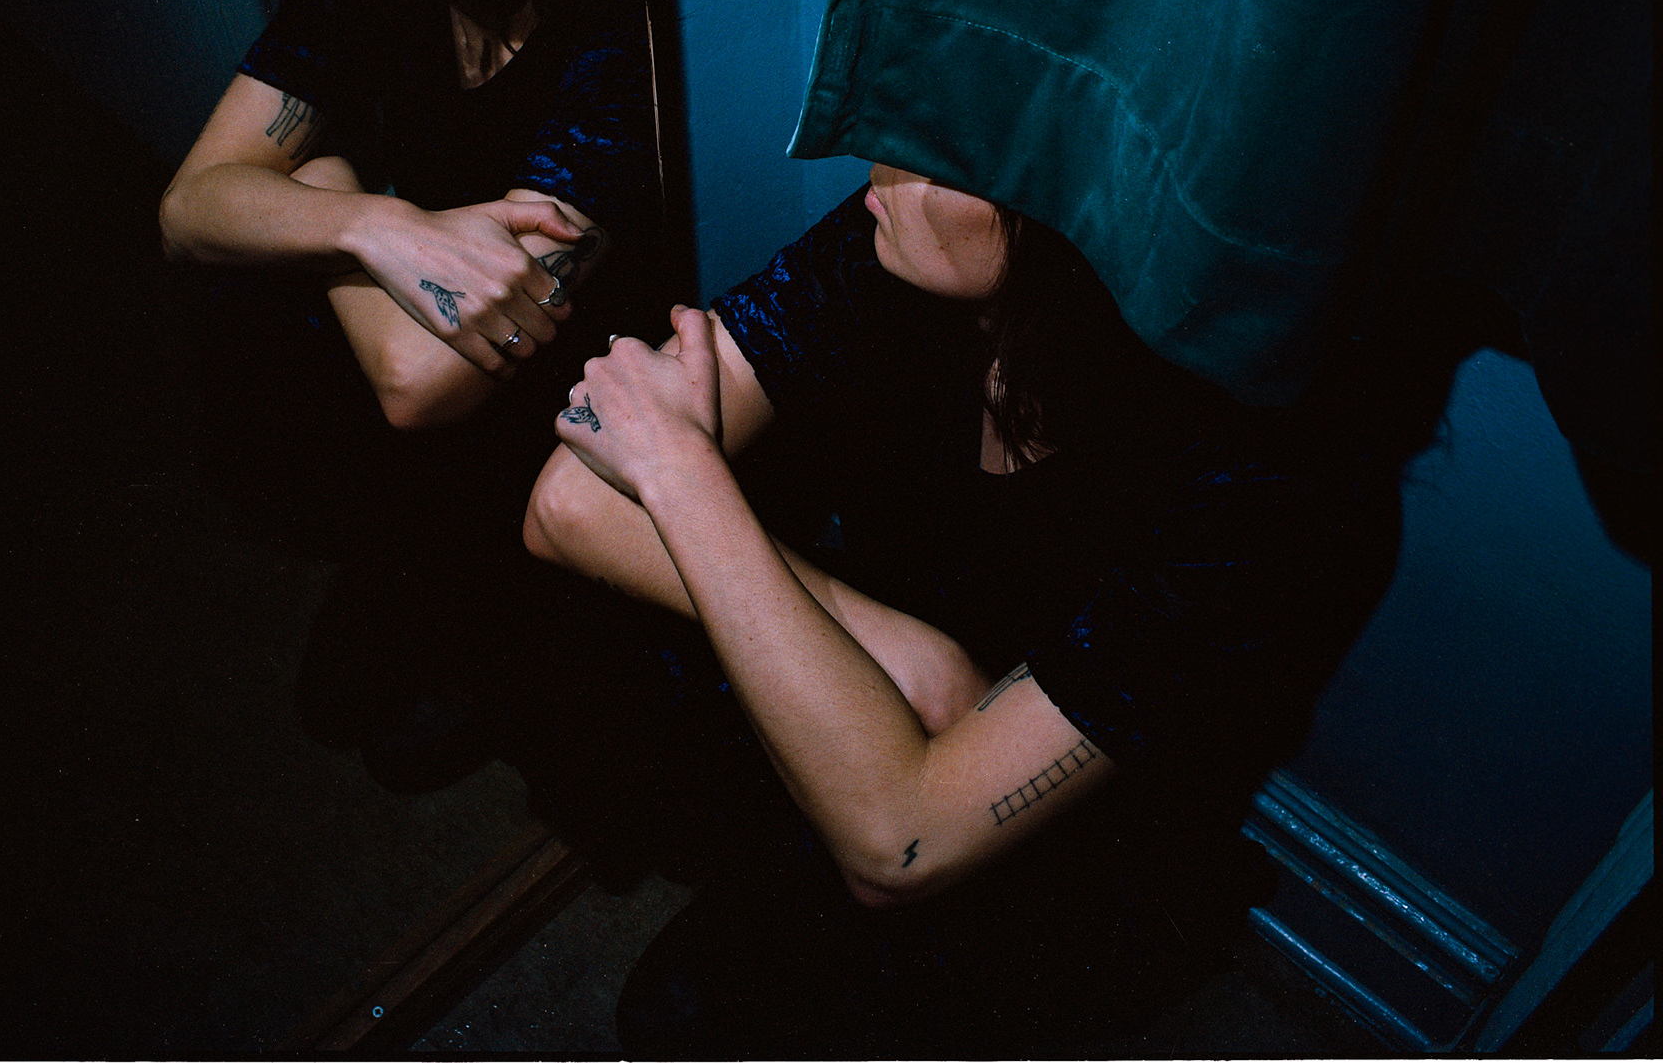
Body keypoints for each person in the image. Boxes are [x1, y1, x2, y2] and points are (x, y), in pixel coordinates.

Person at [525, 168, 1393, 1053]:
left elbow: (897, 846)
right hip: (884, 729)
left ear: (1078, 212)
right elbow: (566, 505)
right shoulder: (889, 242)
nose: (881, 159)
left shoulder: (1256, 480)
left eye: (952, 149)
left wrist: (680, 472)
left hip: (1063, 863)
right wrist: (913, 655)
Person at [159, 0, 666, 784]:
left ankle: (476, 609)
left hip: (569, 392)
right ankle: (410, 570)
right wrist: (378, 221)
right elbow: (188, 208)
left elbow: (422, 380)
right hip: (423, 364)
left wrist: (318, 175)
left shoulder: (612, 7)